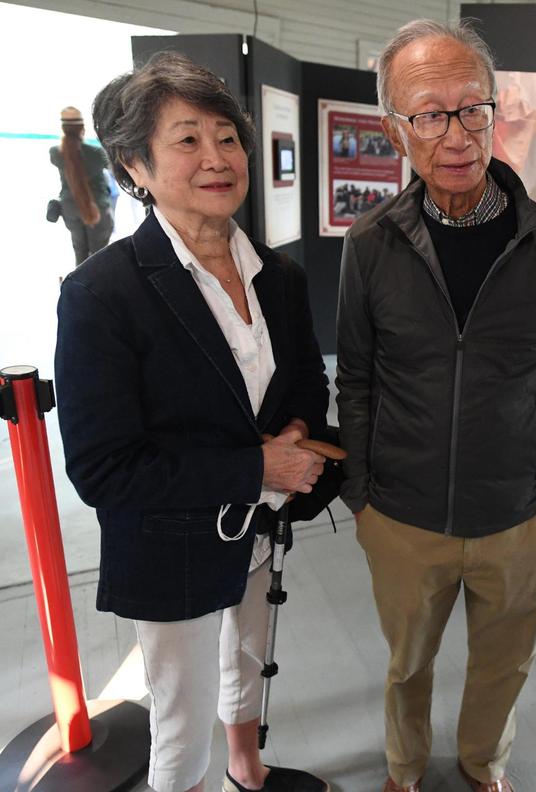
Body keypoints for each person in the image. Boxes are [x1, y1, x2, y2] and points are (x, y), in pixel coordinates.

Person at [54, 52, 332, 792]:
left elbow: (307, 379)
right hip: (170, 538)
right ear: (134, 165)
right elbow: (103, 468)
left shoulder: (282, 275)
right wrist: (259, 468)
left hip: (261, 528)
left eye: (228, 137)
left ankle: (249, 767)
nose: (217, 158)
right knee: (181, 720)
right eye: (186, 140)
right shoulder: (101, 295)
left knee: (247, 659)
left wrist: (297, 437)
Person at [336, 19, 536, 792]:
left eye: (470, 107)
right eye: (428, 114)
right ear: (395, 130)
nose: (455, 134)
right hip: (403, 517)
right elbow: (356, 377)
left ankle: (484, 767)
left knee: (504, 665)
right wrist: (362, 497)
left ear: (494, 109)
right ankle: (404, 770)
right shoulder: (371, 244)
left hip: (520, 516)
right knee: (406, 664)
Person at [49, 106, 114, 265]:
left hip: (70, 208)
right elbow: (114, 169)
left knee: (79, 251)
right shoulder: (97, 153)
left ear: (63, 129)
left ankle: (80, 286)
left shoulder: (55, 153)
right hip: (97, 208)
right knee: (100, 255)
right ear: (82, 129)